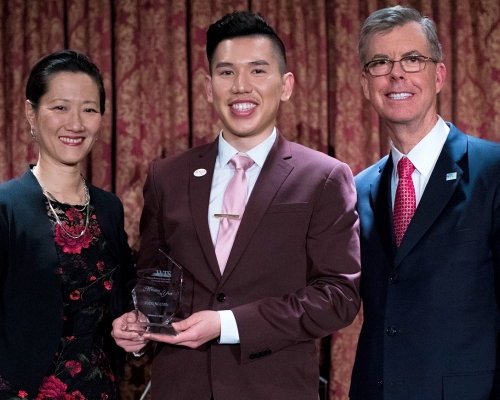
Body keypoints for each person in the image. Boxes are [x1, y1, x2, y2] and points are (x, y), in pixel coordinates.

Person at [111, 11, 361, 400]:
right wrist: (139, 325)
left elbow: (337, 297)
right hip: (179, 387)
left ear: (286, 84)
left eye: (258, 70)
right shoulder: (166, 176)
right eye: (226, 73)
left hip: (276, 387)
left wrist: (227, 324)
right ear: (209, 88)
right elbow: (152, 279)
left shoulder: (324, 177)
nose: (241, 87)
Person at [350, 5, 500, 399]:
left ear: (439, 75)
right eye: (380, 62)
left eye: (413, 59)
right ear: (366, 84)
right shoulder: (355, 189)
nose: (396, 73)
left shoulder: (493, 171)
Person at [0, 50, 135, 400]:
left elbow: (125, 299)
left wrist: (133, 327)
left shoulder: (109, 208)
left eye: (89, 109)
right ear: (31, 112)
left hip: (100, 389)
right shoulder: (6, 206)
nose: (76, 123)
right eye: (60, 107)